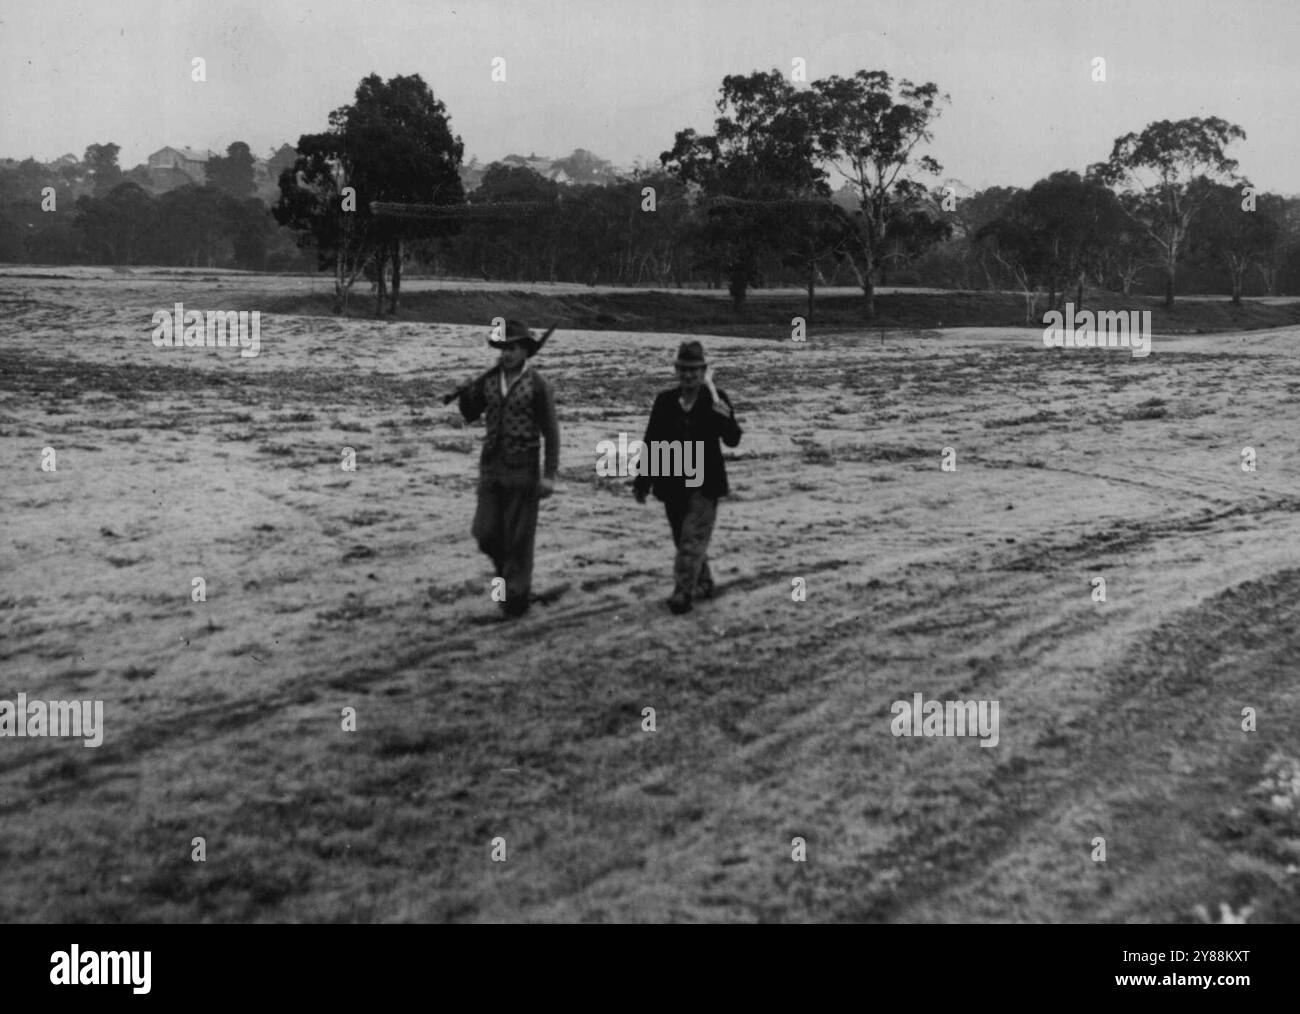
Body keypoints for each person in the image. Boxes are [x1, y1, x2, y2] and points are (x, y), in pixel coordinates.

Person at [457, 320, 559, 618]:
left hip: (523, 469)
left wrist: (549, 475)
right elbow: (470, 413)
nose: (507, 354)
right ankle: (507, 574)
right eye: (503, 348)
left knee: (519, 538)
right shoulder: (489, 381)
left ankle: (516, 598)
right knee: (485, 532)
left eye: (512, 348)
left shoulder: (538, 385)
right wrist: (466, 393)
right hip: (491, 468)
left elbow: (551, 433)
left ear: (525, 350)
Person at [633, 340, 742, 614]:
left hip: (705, 483)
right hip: (672, 482)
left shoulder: (716, 399)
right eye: (683, 369)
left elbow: (733, 440)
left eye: (694, 370)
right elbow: (652, 440)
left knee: (692, 539)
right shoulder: (665, 401)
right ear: (676, 371)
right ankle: (703, 582)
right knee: (683, 538)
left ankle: (683, 592)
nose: (688, 375)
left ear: (704, 371)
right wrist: (643, 481)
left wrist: (725, 419)